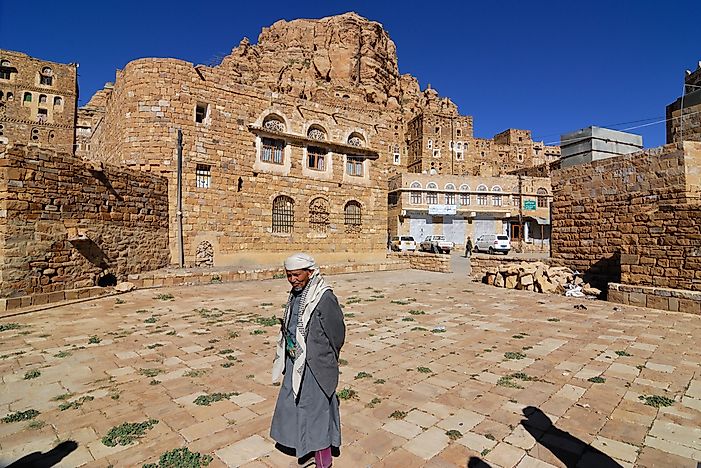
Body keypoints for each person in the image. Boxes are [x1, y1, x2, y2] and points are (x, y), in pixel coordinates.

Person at [271, 253, 345, 468]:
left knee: (317, 411)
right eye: (289, 275)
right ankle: (303, 447)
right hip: (296, 362)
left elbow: (337, 333)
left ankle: (323, 459)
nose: (293, 279)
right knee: (296, 406)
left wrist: (325, 357)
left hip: (315, 365)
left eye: (296, 275)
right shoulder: (296, 295)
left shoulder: (324, 297)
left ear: (310, 273)